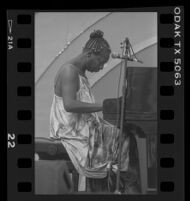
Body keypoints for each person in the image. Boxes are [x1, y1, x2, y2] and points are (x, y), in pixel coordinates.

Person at [50, 30, 141, 193]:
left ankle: (122, 185)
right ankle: (119, 188)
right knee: (124, 138)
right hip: (71, 132)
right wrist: (104, 105)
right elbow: (69, 105)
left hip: (82, 128)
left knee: (124, 134)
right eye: (101, 62)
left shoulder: (80, 73)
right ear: (90, 54)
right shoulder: (69, 71)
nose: (101, 67)